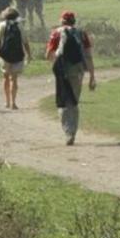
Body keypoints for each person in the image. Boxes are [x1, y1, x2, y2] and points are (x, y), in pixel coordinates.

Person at [45, 11, 96, 145]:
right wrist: (92, 76)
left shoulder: (56, 33)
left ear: (62, 21)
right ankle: (72, 131)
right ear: (74, 21)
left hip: (62, 70)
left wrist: (56, 63)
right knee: (73, 101)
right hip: (78, 70)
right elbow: (89, 56)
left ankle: (68, 131)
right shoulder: (81, 33)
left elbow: (48, 54)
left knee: (63, 101)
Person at [0, 5, 31, 109]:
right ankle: (14, 103)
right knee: (14, 79)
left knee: (6, 77)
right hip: (18, 55)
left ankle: (7, 101)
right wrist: (29, 54)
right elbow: (25, 41)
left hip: (4, 55)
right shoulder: (19, 26)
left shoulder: (2, 25)